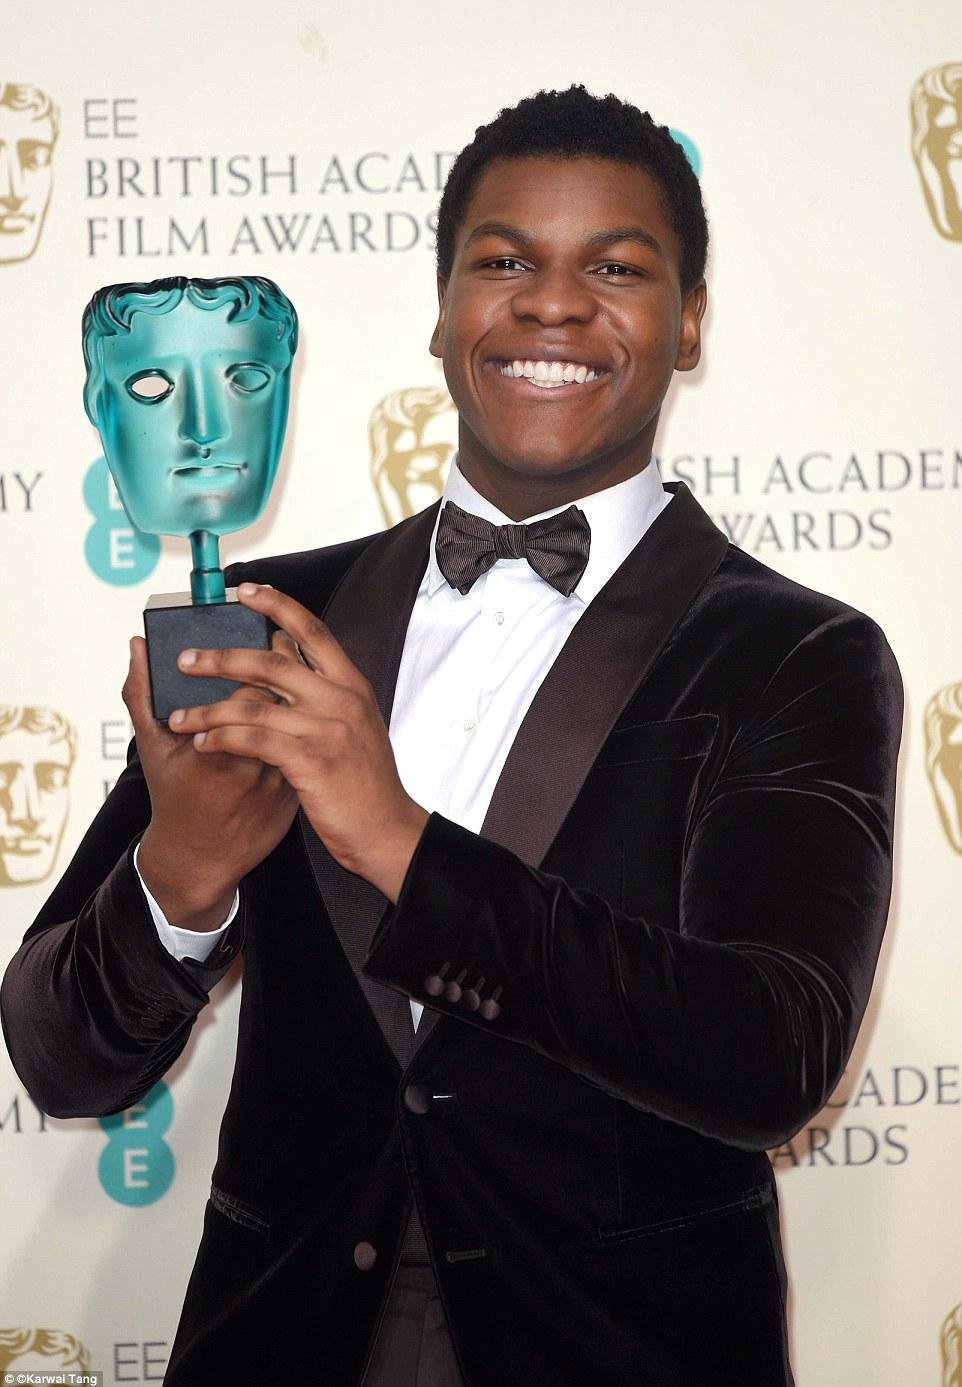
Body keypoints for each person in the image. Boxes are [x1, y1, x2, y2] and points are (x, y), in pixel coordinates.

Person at [1, 86, 903, 1386]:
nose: (553, 305)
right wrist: (182, 879)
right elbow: (60, 1060)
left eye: (615, 268)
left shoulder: (799, 653)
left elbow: (771, 1059)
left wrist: (396, 841)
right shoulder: (274, 616)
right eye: (504, 262)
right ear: (441, 310)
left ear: (691, 318)